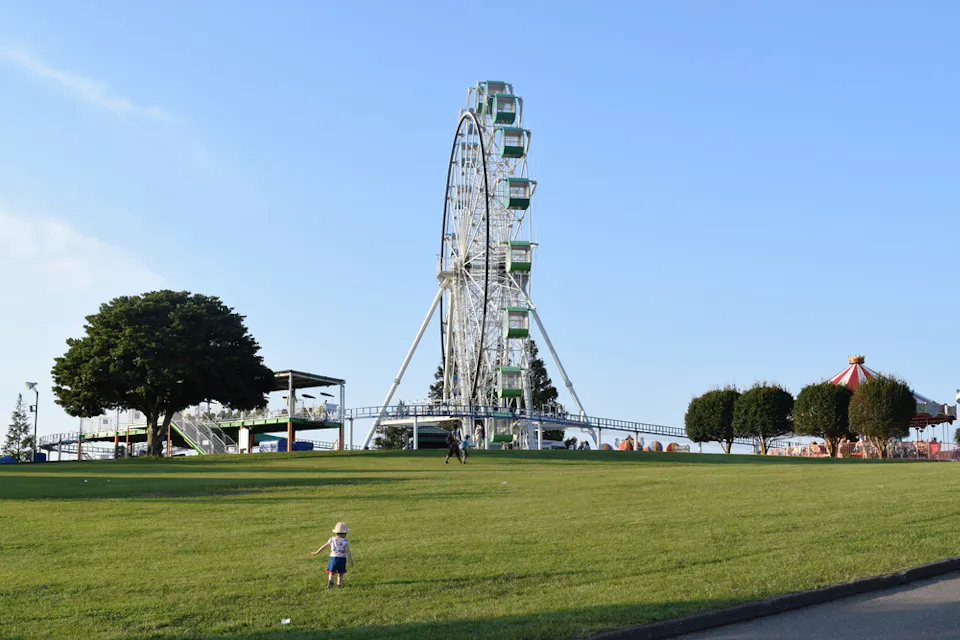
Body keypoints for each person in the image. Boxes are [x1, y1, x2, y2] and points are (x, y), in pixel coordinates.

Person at [311, 521, 354, 589]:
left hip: (333, 559)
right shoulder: (345, 541)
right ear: (343, 534)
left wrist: (317, 552)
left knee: (331, 572)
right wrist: (351, 560)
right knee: (340, 573)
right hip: (341, 559)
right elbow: (348, 552)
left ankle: (331, 580)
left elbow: (324, 546)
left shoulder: (332, 539)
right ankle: (339, 583)